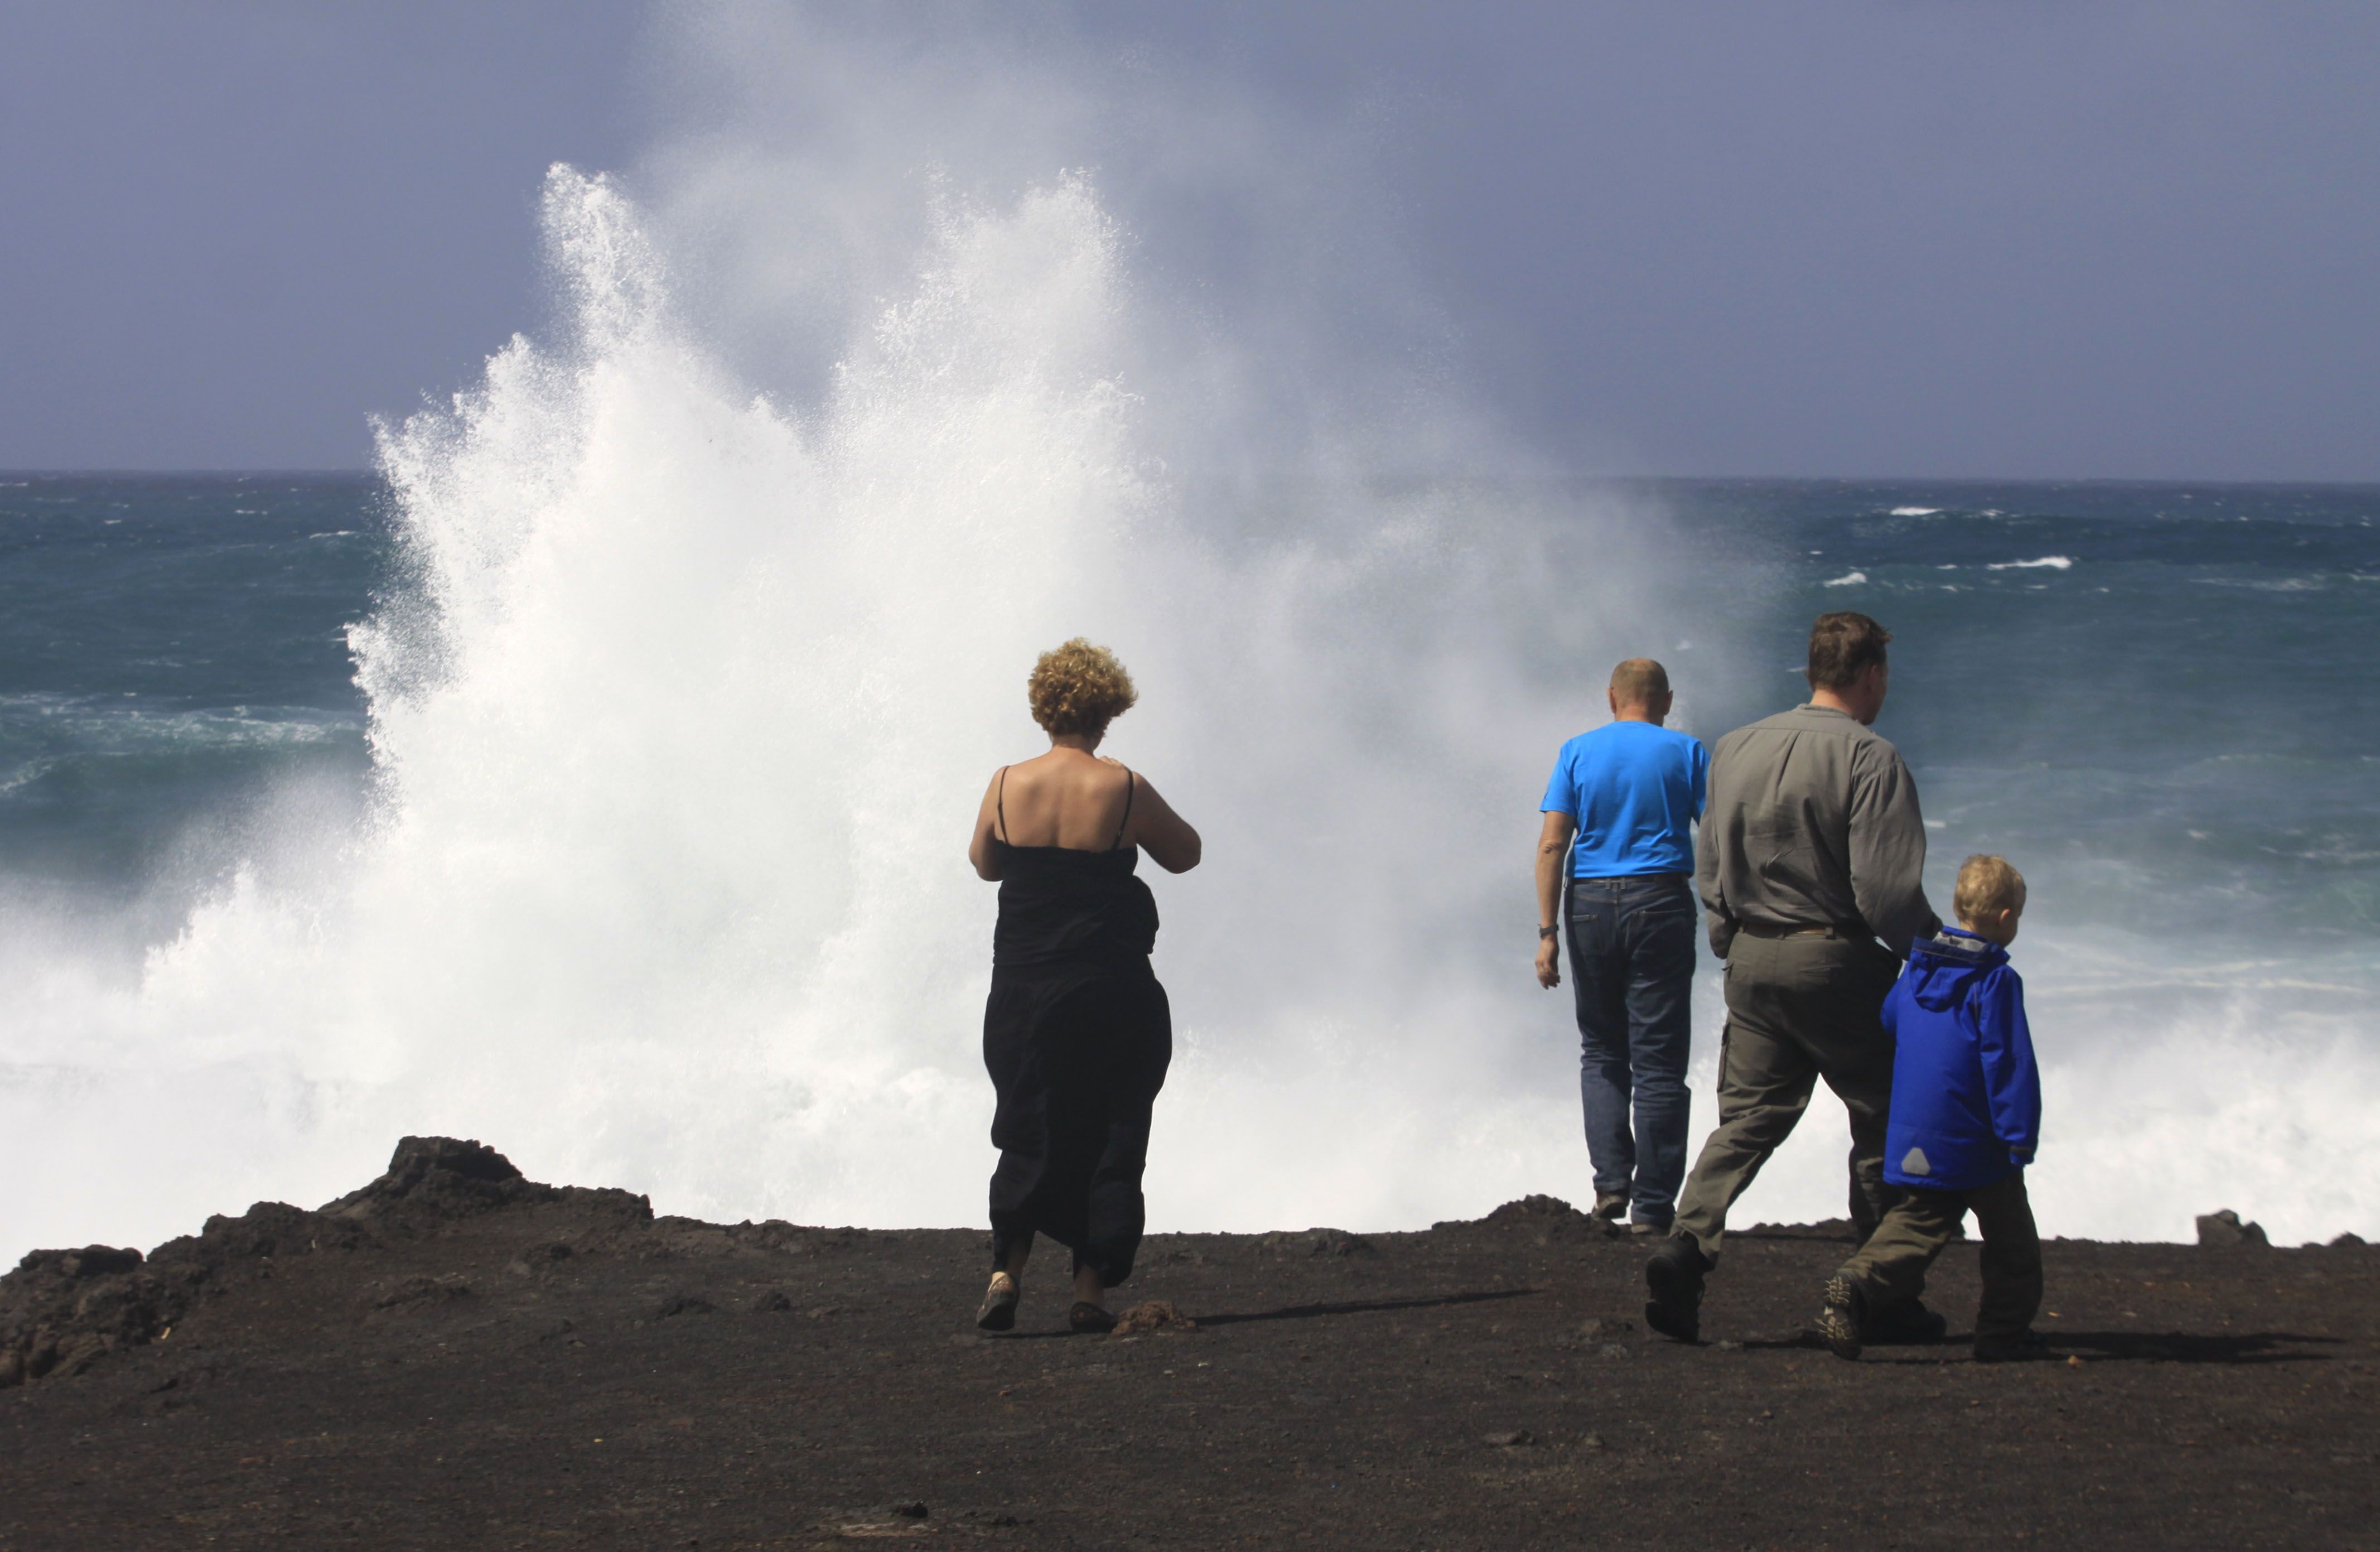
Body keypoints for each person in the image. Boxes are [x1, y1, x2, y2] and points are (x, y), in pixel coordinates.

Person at [1644, 611, 1942, 1343]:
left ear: (1811, 670)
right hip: (1833, 958)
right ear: (1869, 674)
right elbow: (1883, 893)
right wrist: (1936, 956)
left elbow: (1707, 864)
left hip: (1749, 958)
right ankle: (1881, 1290)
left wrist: (1729, 940)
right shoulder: (1870, 758)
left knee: (1744, 1121)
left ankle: (1685, 1244)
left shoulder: (1735, 746)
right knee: (1881, 1113)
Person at [966, 638, 1201, 1334]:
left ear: (1044, 708)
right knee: (1113, 1124)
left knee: (1027, 1120)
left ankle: (1007, 1267)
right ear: (1108, 710)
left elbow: (985, 863)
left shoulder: (1008, 781)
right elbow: (1185, 855)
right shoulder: (1122, 785)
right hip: (1109, 983)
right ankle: (1090, 1291)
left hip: (1025, 986)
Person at [1819, 855, 2045, 1362]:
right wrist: (2018, 1134)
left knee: (1917, 1222)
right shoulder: (1994, 982)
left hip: (1916, 1129)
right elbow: (2007, 1063)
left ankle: (1856, 1282)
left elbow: (1890, 1020)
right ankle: (2002, 1336)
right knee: (2013, 1245)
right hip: (1977, 1136)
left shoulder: (1919, 970)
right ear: (2006, 919)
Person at [1534, 658, 1710, 1234]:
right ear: (1665, 700)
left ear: (1612, 698)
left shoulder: (1577, 751)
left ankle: (1611, 1183)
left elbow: (1552, 845)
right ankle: (1653, 1208)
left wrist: (1546, 934)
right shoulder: (1687, 752)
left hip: (1587, 906)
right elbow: (1714, 839)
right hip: (1660, 899)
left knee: (1603, 1050)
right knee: (1659, 1062)